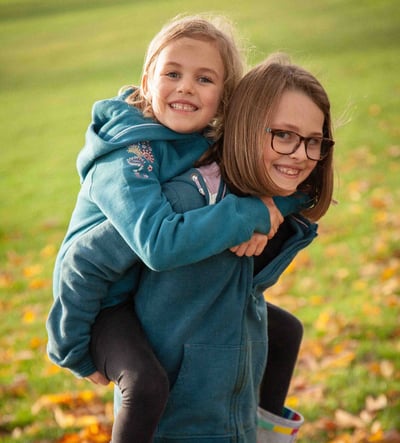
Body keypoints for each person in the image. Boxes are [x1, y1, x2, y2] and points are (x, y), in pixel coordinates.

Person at [46, 15, 305, 443]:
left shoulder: (201, 144)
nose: (186, 87)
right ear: (147, 81)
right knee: (146, 384)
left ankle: (263, 435)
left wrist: (276, 205)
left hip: (156, 294)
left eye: (204, 78)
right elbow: (157, 242)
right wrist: (72, 345)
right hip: (101, 306)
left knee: (284, 331)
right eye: (172, 73)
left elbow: (265, 182)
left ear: (224, 97)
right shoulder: (128, 154)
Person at [112, 53, 335, 442]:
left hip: (234, 416)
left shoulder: (275, 199)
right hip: (175, 423)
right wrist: (72, 340)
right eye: (283, 135)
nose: (301, 154)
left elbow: (309, 190)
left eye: (313, 141)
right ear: (246, 127)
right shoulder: (187, 200)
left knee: (287, 330)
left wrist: (264, 209)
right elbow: (88, 259)